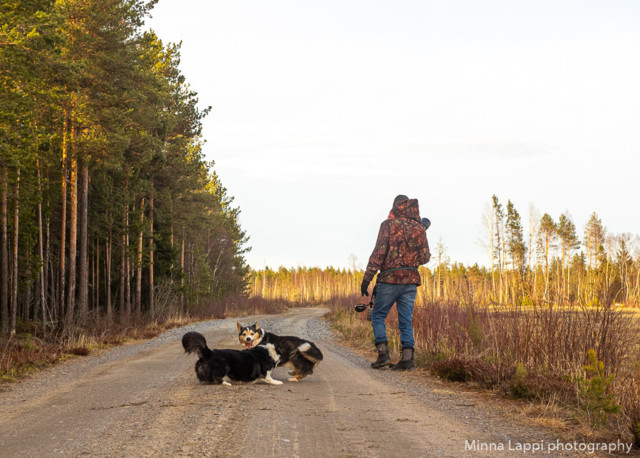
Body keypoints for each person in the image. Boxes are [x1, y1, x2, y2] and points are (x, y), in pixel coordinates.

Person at [360, 195, 430, 371]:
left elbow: (379, 253)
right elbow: (425, 258)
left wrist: (367, 278)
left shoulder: (388, 225)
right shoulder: (419, 228)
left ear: (395, 207)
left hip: (389, 280)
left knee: (377, 316)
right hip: (411, 282)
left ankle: (383, 356)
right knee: (406, 320)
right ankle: (408, 359)